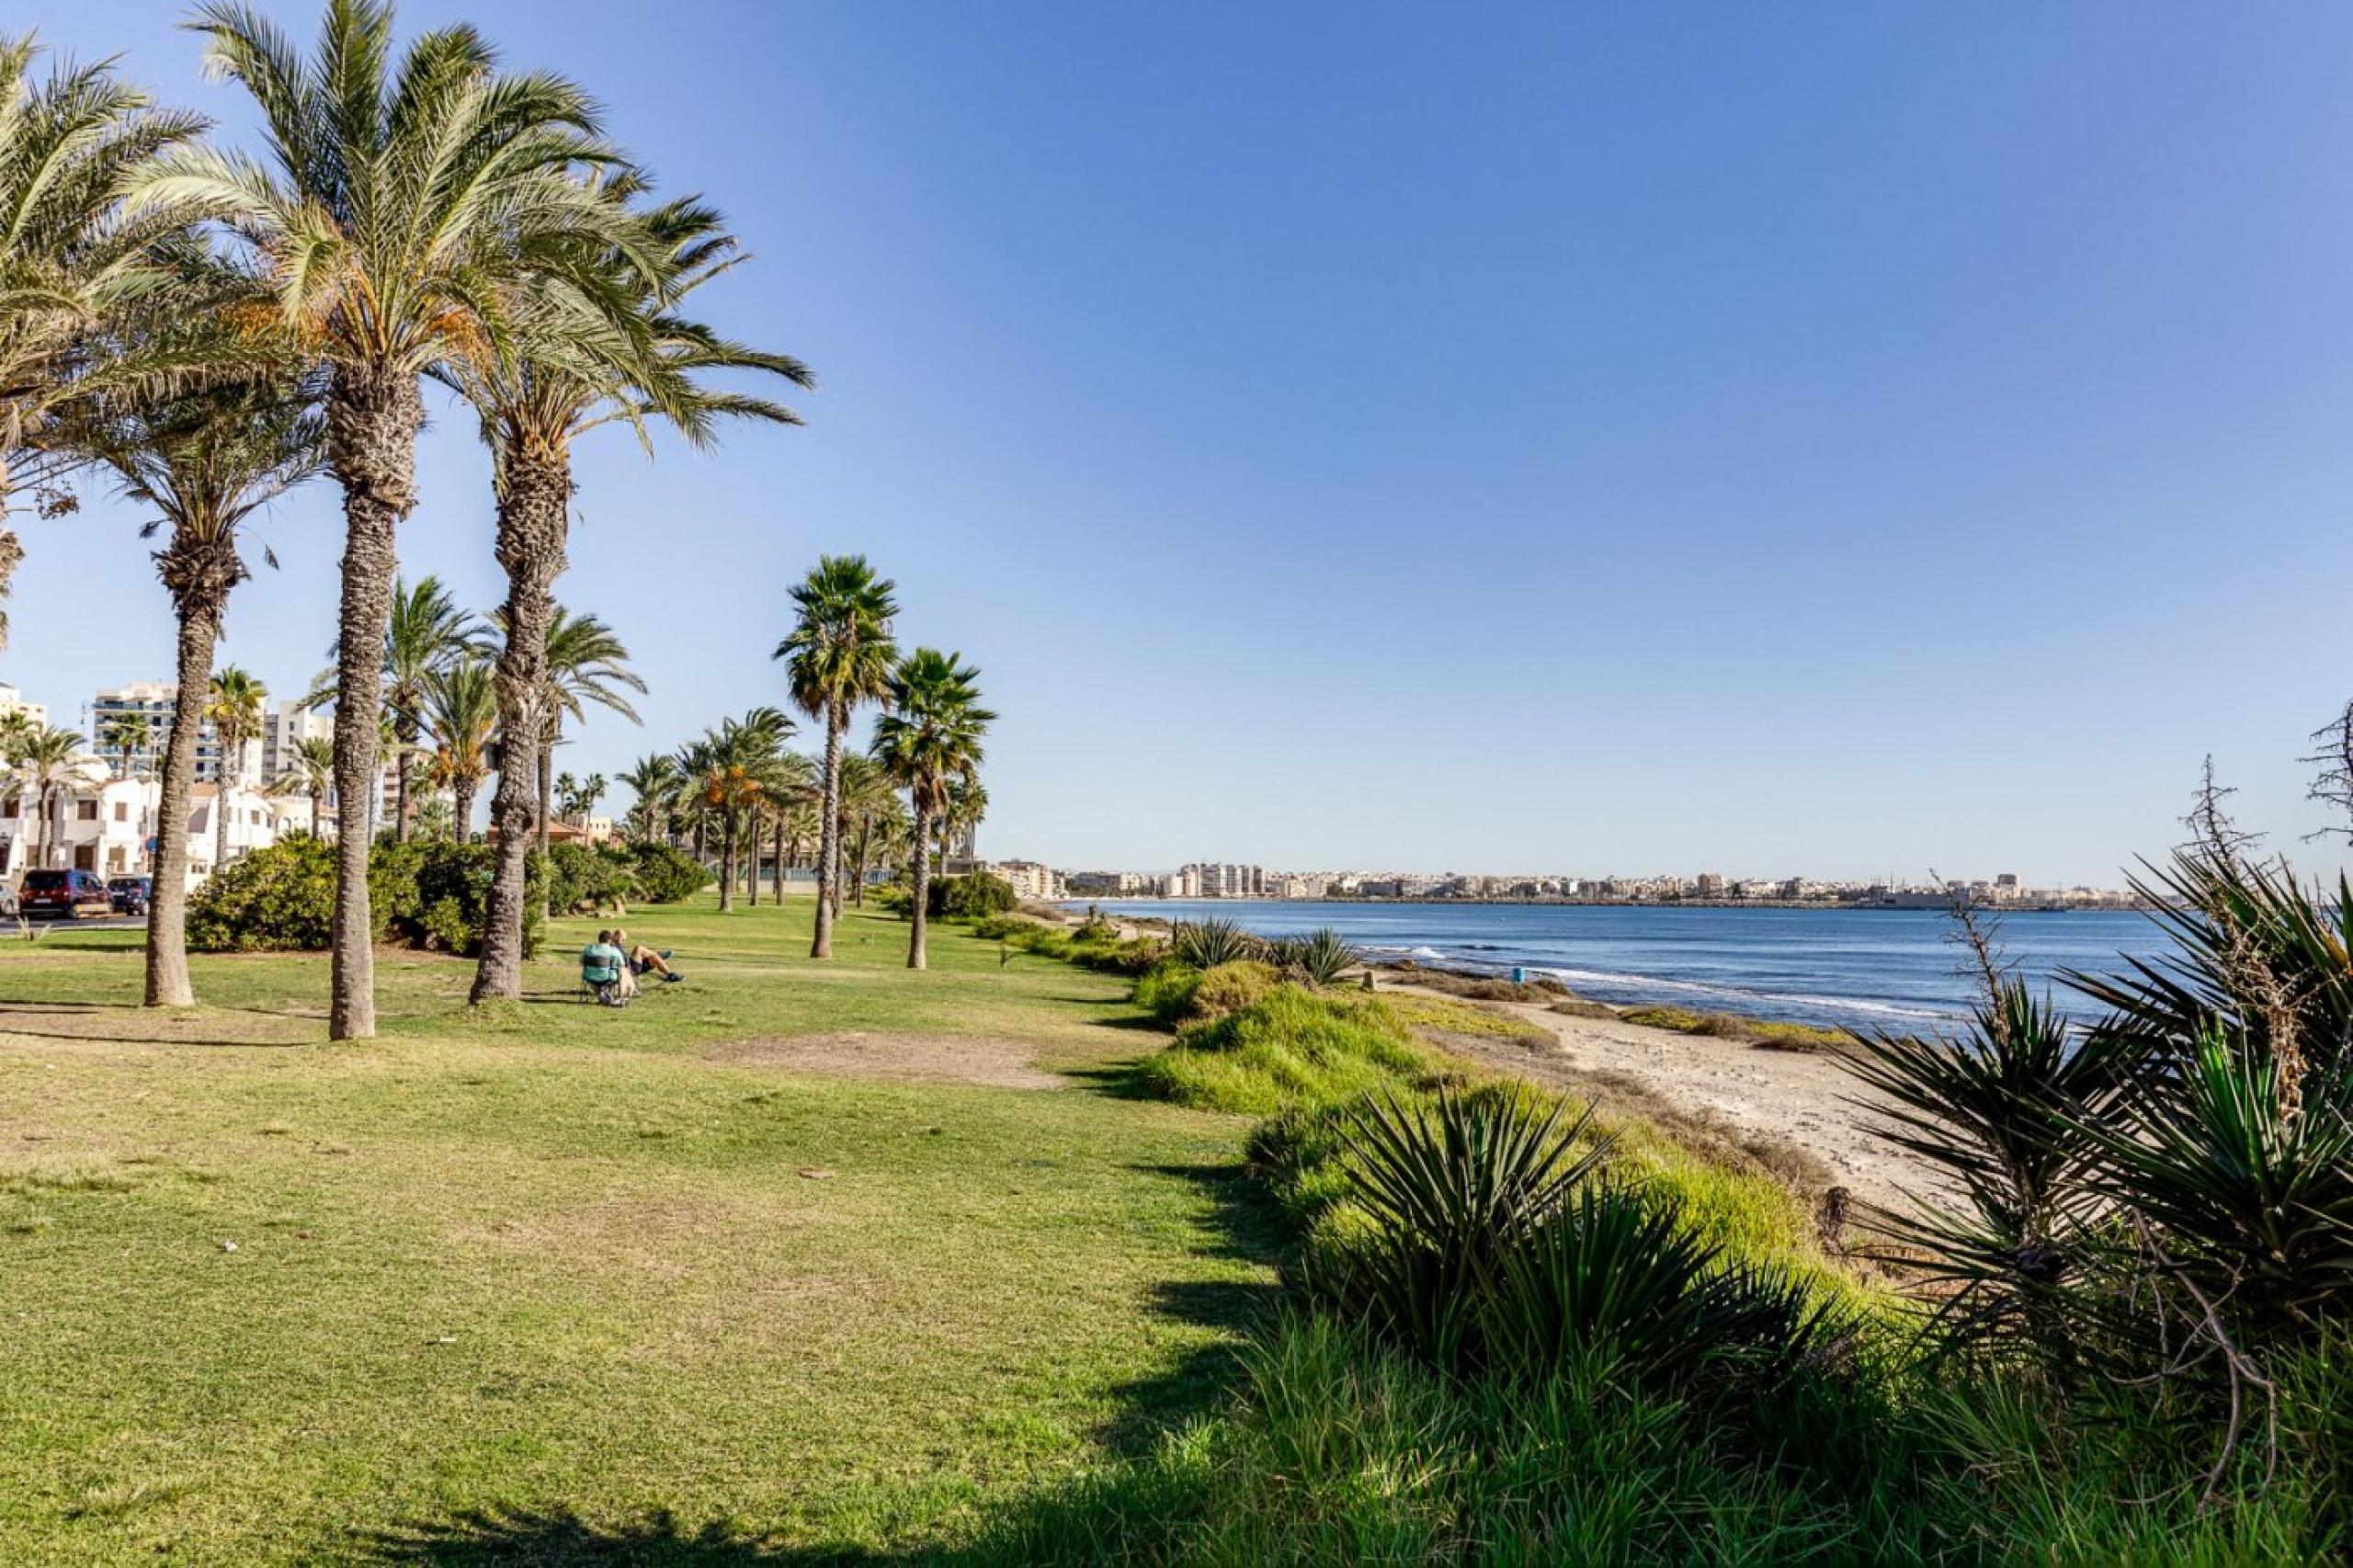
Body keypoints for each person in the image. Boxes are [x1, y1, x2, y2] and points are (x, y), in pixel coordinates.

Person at [610, 928, 683, 984]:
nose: (623, 941)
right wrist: (615, 939)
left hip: (631, 965)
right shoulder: (610, 946)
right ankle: (659, 954)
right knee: (639, 948)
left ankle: (671, 975)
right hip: (628, 969)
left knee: (654, 958)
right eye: (622, 938)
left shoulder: (616, 945)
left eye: (623, 940)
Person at [581, 930, 631, 1006]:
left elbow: (581, 962)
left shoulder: (588, 949)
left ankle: (604, 996)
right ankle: (620, 997)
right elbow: (622, 964)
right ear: (609, 940)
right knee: (622, 971)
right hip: (608, 978)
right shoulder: (614, 951)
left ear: (599, 939)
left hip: (590, 978)